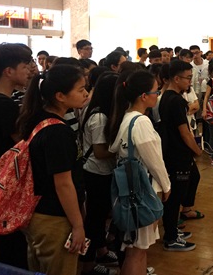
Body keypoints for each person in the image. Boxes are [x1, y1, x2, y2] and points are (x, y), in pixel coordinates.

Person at [18, 65, 89, 275]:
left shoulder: (39, 120)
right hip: (55, 218)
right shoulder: (57, 132)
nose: (86, 93)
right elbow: (63, 184)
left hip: (39, 212)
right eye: (80, 89)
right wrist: (78, 225)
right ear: (60, 96)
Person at [107, 70, 171, 274]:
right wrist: (166, 185)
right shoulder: (141, 122)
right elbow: (154, 161)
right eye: (156, 91)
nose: (157, 95)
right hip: (143, 189)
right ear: (144, 96)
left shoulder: (126, 117)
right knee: (138, 249)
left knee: (136, 247)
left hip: (130, 190)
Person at [0, 43, 33, 269]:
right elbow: (24, 146)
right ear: (9, 71)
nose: (29, 70)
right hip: (8, 185)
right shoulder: (5, 107)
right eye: (25, 66)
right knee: (12, 247)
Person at [158, 60, 202, 251]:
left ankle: (172, 230)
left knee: (177, 193)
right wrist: (197, 150)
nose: (189, 82)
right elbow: (184, 132)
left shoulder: (167, 97)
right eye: (188, 78)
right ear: (176, 78)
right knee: (175, 196)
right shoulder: (175, 101)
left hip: (173, 152)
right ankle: (171, 237)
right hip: (177, 154)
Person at [80, 72, 119, 275]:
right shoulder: (100, 117)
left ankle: (101, 250)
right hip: (96, 172)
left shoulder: (96, 110)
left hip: (99, 171)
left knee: (99, 216)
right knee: (94, 219)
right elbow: (99, 152)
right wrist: (121, 147)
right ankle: (88, 264)